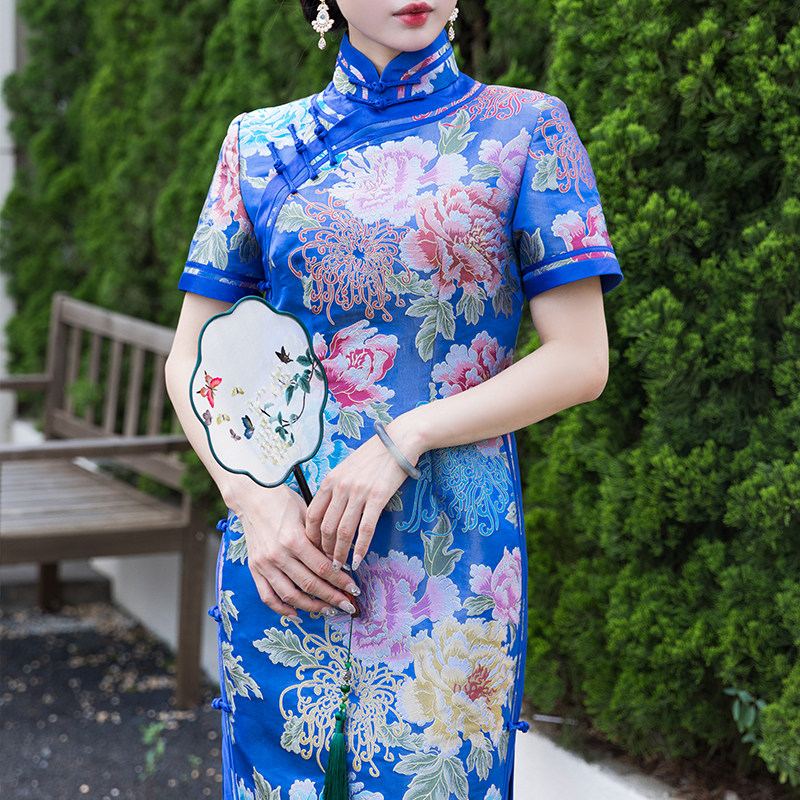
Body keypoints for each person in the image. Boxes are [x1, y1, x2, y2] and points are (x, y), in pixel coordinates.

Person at [165, 2, 623, 798]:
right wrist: (252, 502)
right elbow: (190, 359)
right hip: (288, 549)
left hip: (453, 553)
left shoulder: (528, 130)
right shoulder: (258, 144)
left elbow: (581, 360)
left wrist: (404, 436)